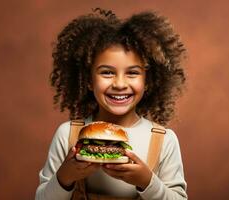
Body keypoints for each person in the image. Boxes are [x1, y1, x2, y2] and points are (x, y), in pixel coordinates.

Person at [35, 8, 187, 200]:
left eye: (132, 73)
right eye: (107, 72)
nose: (120, 84)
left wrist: (148, 181)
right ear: (88, 80)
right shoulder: (68, 134)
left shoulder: (164, 140)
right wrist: (65, 176)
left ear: (148, 82)